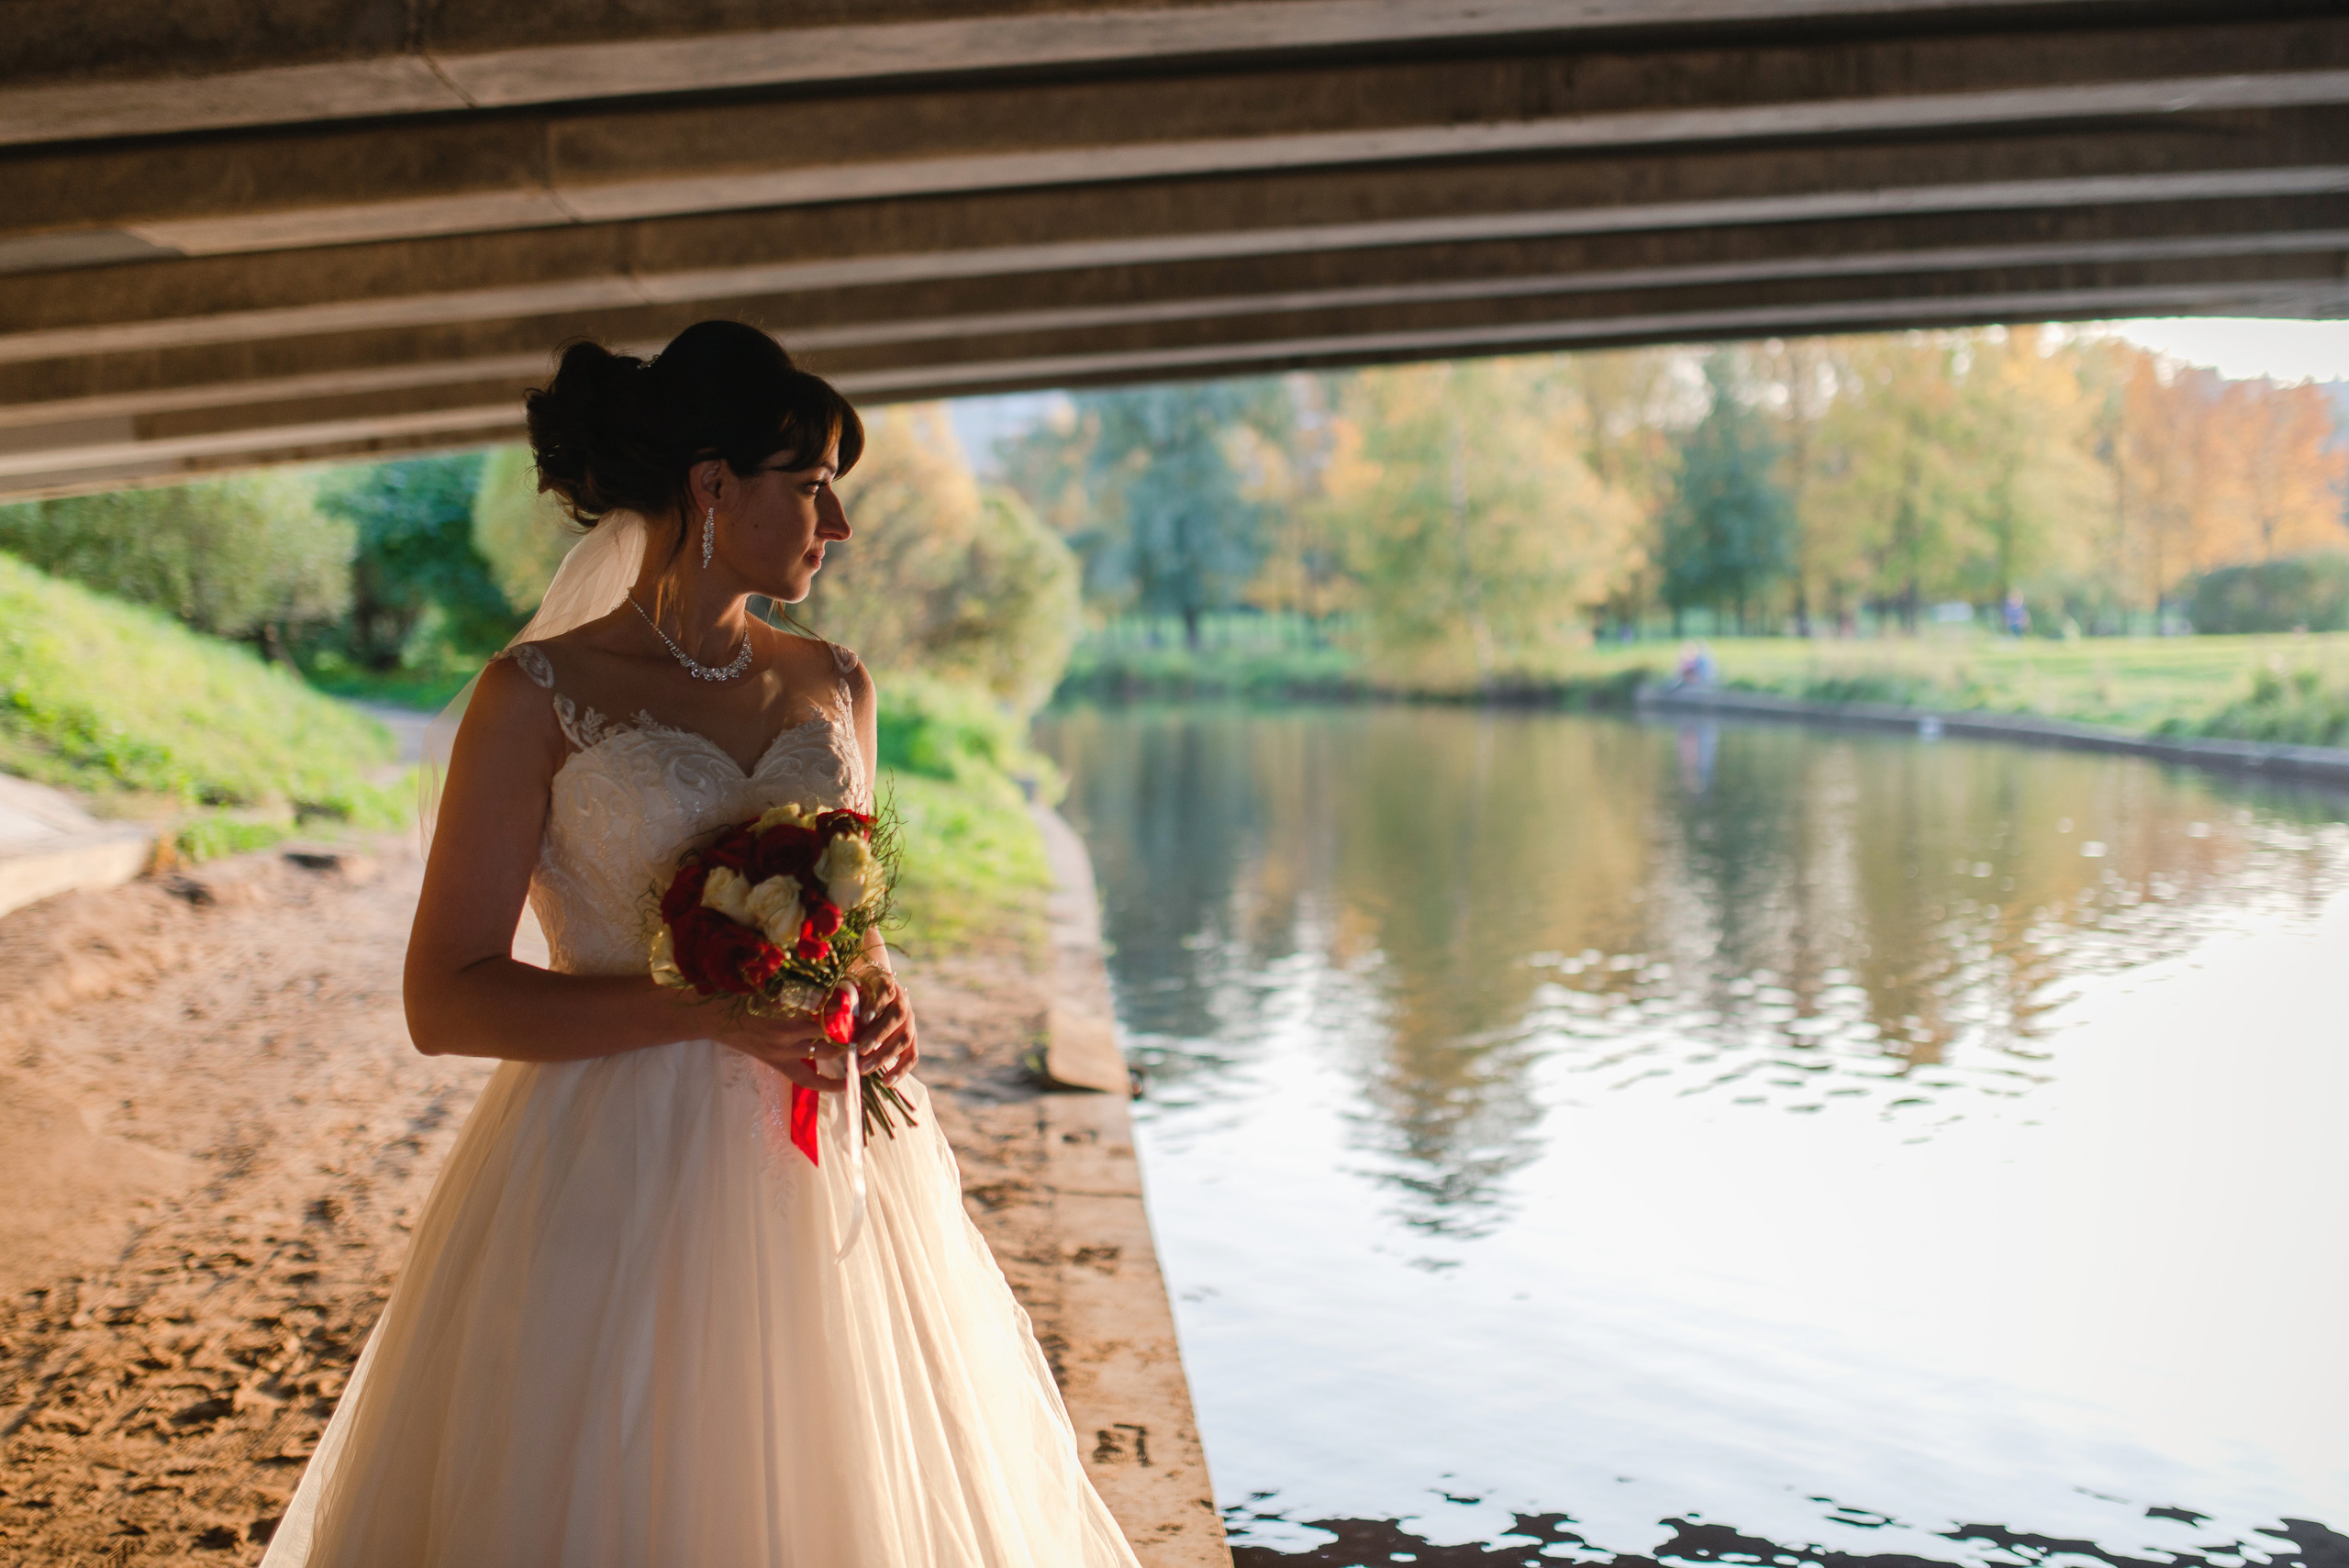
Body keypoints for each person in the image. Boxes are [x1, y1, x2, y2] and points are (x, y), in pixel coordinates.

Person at [261, 321, 1141, 1567]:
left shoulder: (839, 684)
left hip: (828, 1163)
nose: (837, 526)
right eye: (814, 486)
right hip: (606, 1169)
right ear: (713, 484)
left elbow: (855, 928)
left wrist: (884, 998)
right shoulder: (536, 697)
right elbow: (444, 998)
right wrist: (703, 1012)